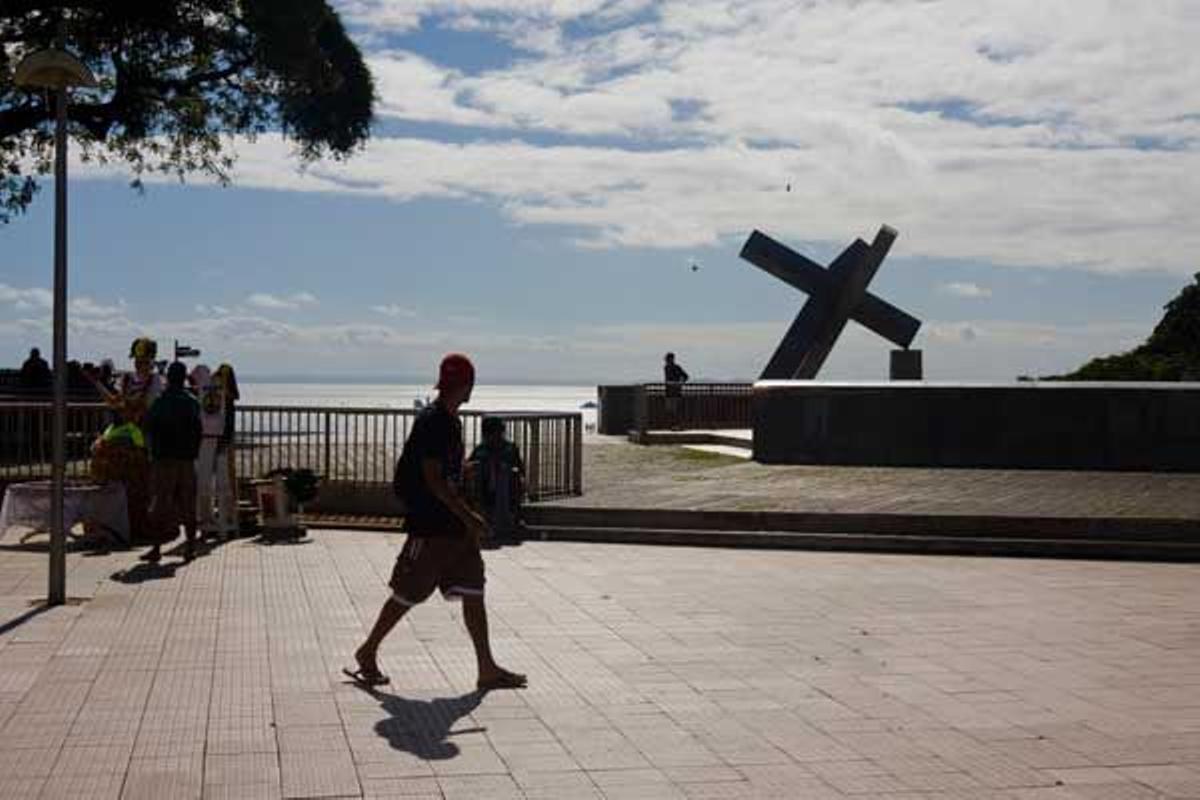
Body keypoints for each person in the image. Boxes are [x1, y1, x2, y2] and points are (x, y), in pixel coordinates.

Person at [347, 353, 526, 692]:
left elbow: (441, 472)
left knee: (474, 588)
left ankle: (486, 668)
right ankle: (367, 651)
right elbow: (432, 478)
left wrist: (464, 482)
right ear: (467, 385)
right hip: (432, 526)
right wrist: (468, 515)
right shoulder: (435, 422)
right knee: (408, 592)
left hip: (454, 528)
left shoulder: (447, 419)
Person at [143, 361, 202, 562]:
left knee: (161, 503)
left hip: (164, 459)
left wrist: (152, 453)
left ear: (168, 377)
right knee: (188, 504)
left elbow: (149, 427)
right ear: (184, 377)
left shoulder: (160, 401)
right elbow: (198, 429)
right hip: (186, 459)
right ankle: (190, 548)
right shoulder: (192, 401)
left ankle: (157, 548)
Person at [190, 365, 237, 540]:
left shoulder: (208, 393)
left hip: (210, 441)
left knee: (206, 485)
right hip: (220, 442)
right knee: (221, 485)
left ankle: (208, 521)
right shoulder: (226, 398)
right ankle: (225, 521)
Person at [466, 416, 526, 546]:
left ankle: (506, 524)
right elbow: (469, 465)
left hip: (507, 487)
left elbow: (520, 470)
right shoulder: (481, 449)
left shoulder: (510, 448)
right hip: (483, 487)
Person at [663, 352, 689, 430]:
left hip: (675, 392)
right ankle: (673, 425)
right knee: (670, 410)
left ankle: (677, 425)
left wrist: (679, 383)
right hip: (669, 392)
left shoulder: (676, 367)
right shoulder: (666, 367)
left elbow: (686, 376)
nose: (667, 360)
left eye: (667, 359)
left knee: (675, 410)